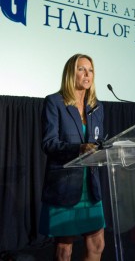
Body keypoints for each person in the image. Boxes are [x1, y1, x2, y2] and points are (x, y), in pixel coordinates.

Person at [39, 53, 105, 261]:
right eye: (81, 69)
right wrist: (80, 148)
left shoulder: (97, 107)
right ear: (71, 73)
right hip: (65, 185)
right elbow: (49, 144)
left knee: (97, 244)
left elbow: (99, 140)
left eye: (91, 70)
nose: (87, 74)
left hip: (91, 185)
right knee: (64, 250)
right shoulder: (55, 102)